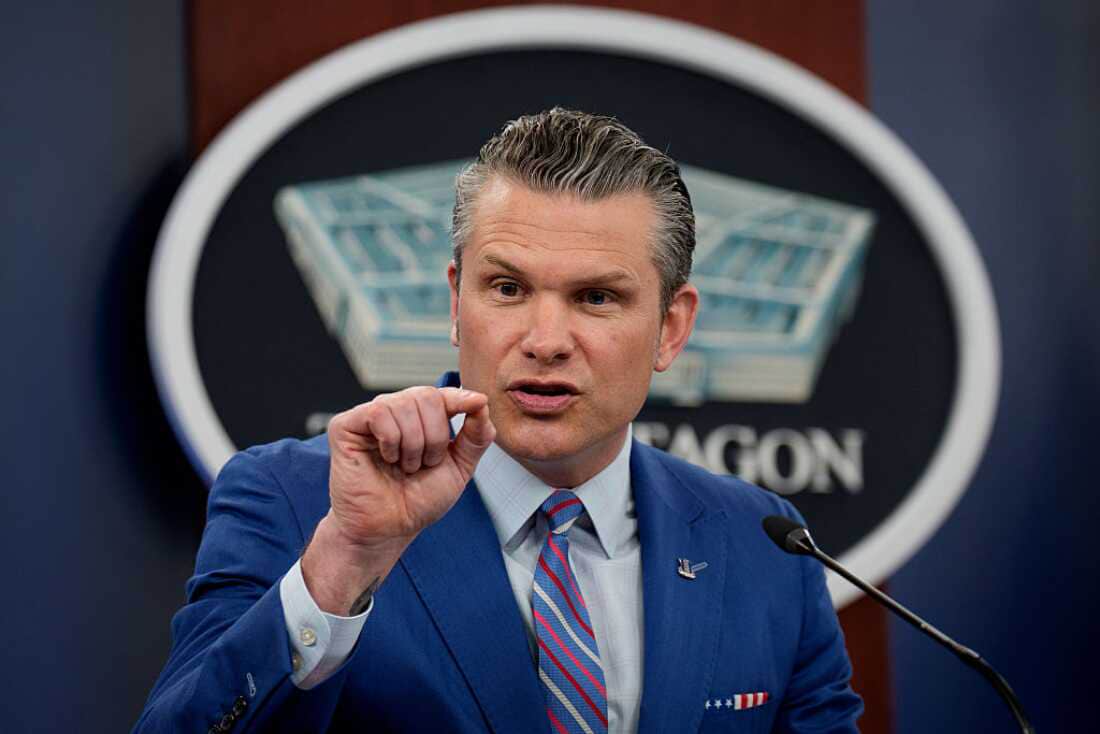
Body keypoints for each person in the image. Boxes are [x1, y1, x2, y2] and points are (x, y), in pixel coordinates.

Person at [134, 108, 862, 733]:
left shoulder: (763, 545)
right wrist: (344, 563)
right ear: (457, 304)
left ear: (671, 328)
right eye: (508, 288)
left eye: (596, 298)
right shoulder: (295, 500)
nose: (545, 340)